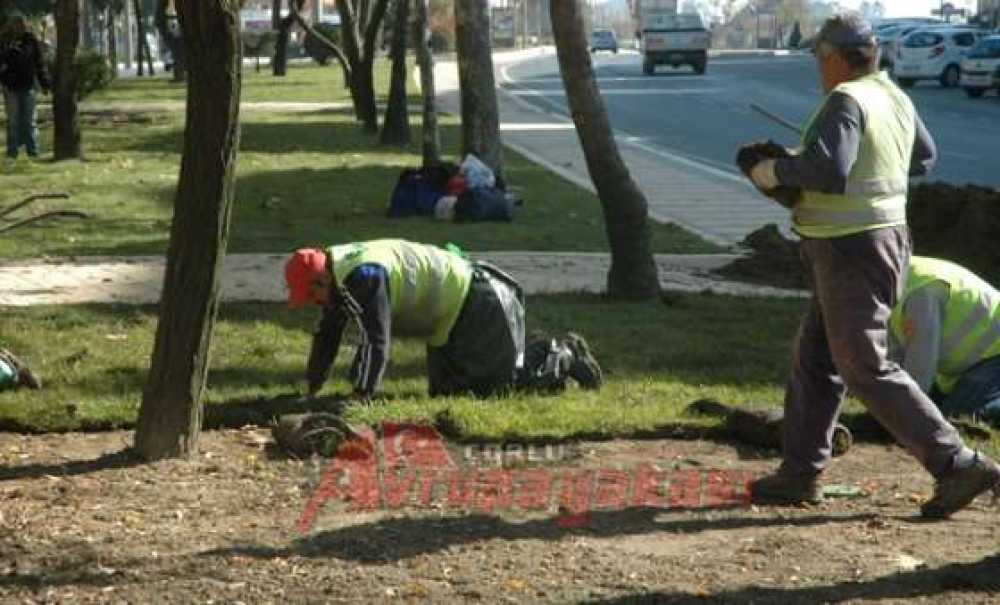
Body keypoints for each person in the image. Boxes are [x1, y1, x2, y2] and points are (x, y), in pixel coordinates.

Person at [738, 14, 999, 519]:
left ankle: (957, 464)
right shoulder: (892, 96)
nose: (819, 68)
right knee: (816, 359)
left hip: (849, 248)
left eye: (819, 59)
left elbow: (830, 170)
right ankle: (800, 473)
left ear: (834, 57)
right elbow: (923, 158)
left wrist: (772, 170)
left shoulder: (847, 99)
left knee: (863, 365)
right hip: (876, 241)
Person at [284, 239, 602, 401]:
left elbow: (375, 341)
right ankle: (533, 357)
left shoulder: (363, 277)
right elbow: (327, 334)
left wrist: (362, 394)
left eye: (312, 296)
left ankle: (563, 354)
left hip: (477, 300)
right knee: (448, 396)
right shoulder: (338, 273)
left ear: (320, 280)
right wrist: (312, 386)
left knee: (500, 389)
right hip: (448, 316)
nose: (316, 304)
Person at [890, 256, 1000, 426]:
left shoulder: (920, 293)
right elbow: (892, 360)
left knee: (963, 415)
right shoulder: (891, 281)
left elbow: (920, 369)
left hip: (994, 354)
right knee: (938, 410)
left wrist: (899, 418)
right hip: (967, 365)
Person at [0, 13, 49, 163]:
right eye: (15, 24)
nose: (17, 27)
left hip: (28, 85)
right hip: (10, 86)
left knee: (29, 120)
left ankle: (32, 151)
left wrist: (45, 82)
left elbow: (39, 62)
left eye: (20, 24)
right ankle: (12, 152)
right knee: (13, 121)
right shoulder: (5, 40)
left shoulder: (30, 40)